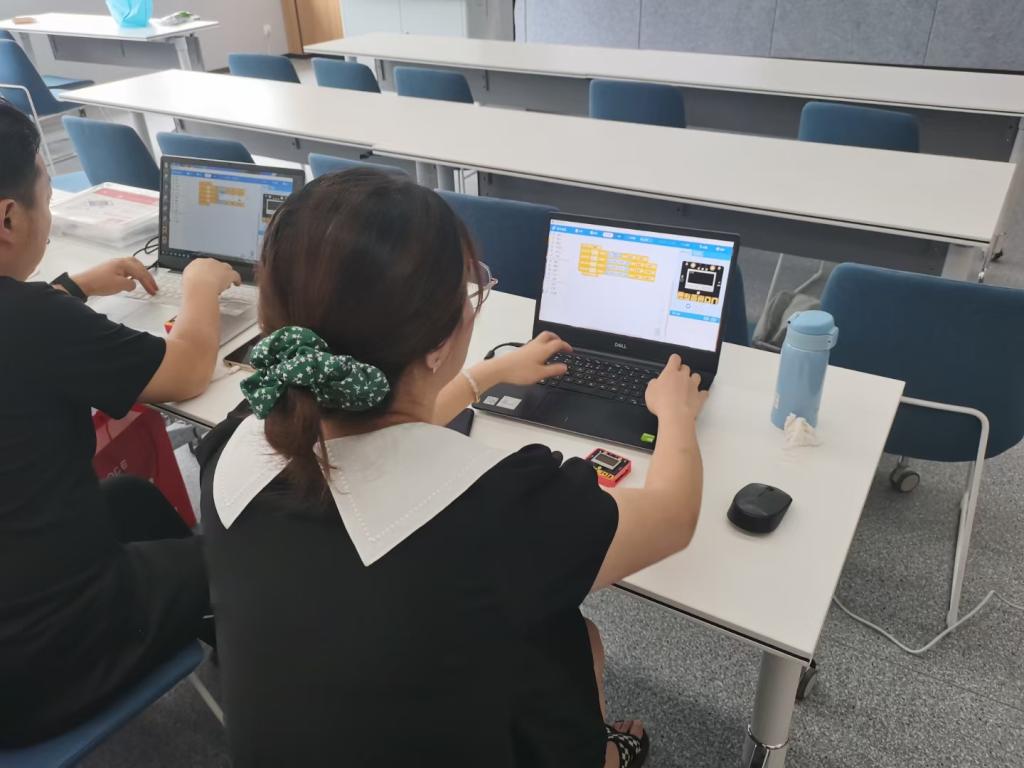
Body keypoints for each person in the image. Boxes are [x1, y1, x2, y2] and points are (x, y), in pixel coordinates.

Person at [198, 169, 707, 768]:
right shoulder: (504, 514)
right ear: (437, 343)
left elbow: (372, 427)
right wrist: (675, 413)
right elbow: (673, 516)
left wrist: (484, 376)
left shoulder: (234, 445)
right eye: (470, 293)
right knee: (574, 640)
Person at [0, 100, 241, 746]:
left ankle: (215, 623)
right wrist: (201, 285)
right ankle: (252, 651)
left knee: (131, 498)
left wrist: (71, 289)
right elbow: (187, 371)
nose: (49, 218)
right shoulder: (32, 323)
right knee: (252, 558)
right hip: (45, 659)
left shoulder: (32, 318)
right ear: (8, 217)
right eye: (46, 198)